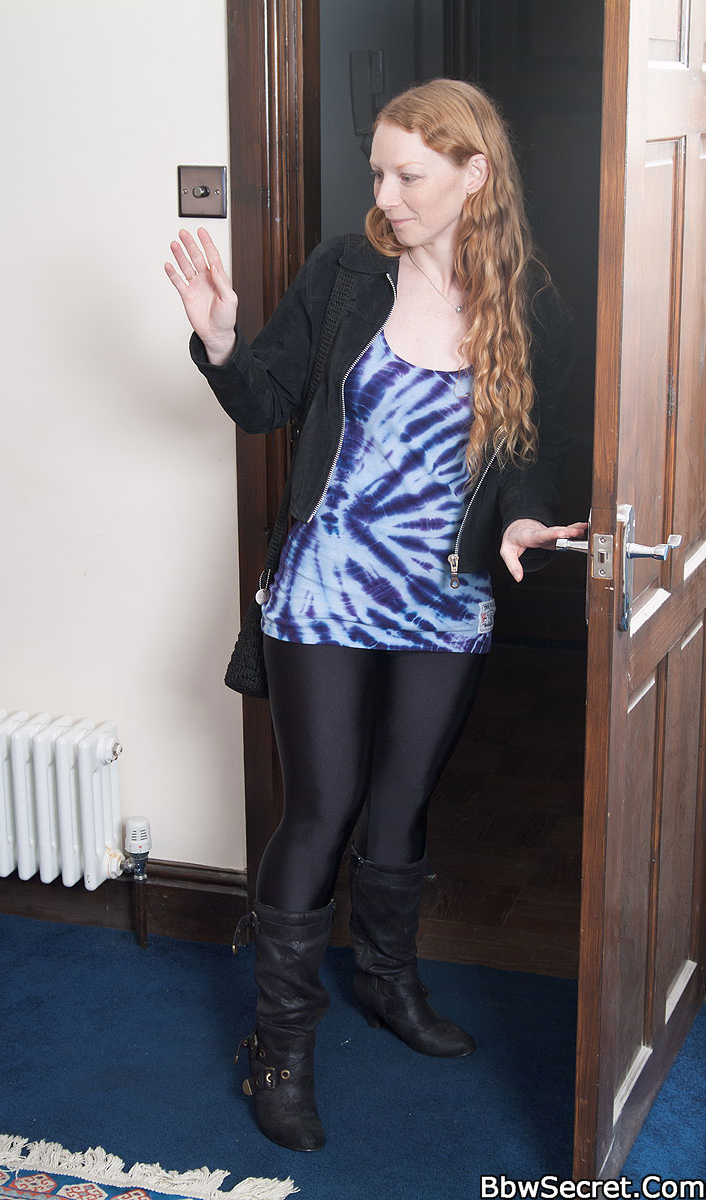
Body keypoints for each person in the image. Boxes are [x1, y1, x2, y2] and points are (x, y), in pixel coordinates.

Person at [164, 77, 587, 1153]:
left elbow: (531, 452)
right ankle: (279, 1047)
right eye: (379, 174)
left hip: (444, 590)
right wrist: (222, 341)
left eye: (407, 175)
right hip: (327, 583)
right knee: (323, 806)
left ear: (472, 174)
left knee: (402, 800)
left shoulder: (528, 303)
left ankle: (388, 984)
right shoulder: (346, 274)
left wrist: (522, 519)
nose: (385, 196)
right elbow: (265, 401)